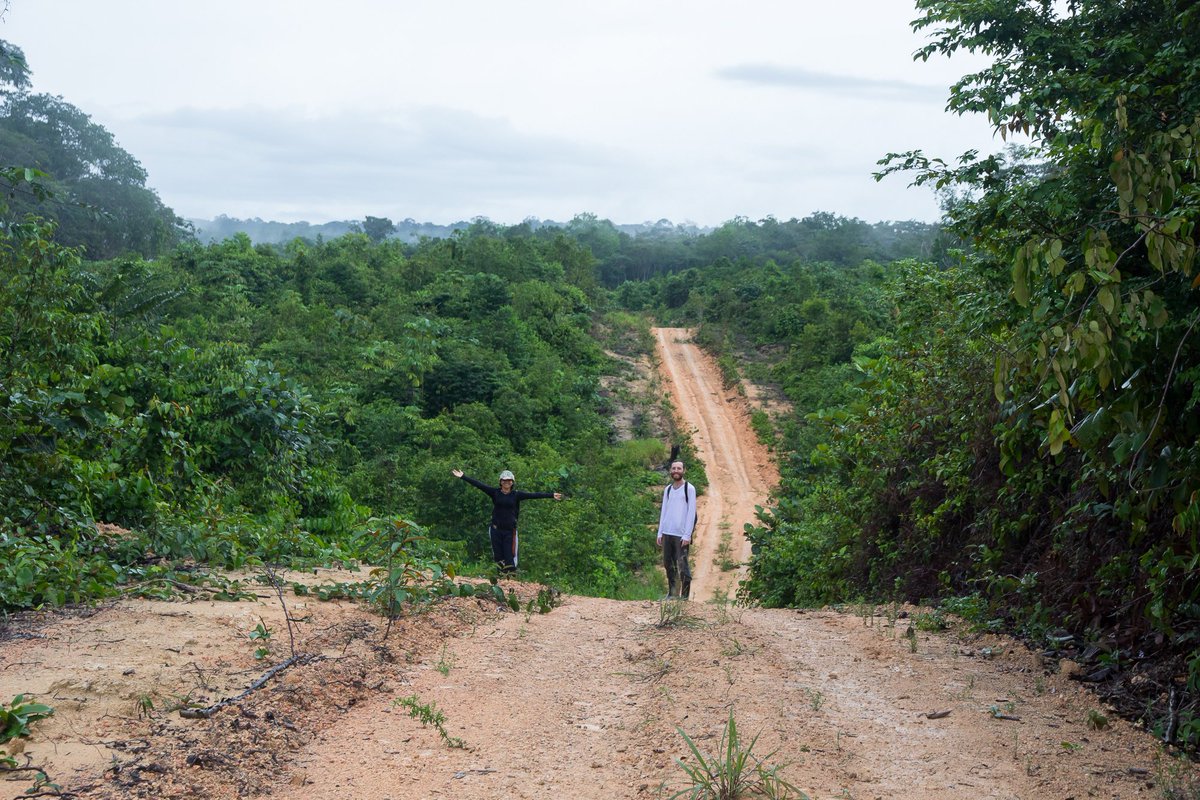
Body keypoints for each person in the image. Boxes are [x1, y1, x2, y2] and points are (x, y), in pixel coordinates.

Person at [451, 468, 562, 574]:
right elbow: (480, 485)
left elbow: (533, 495)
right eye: (504, 480)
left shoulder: (516, 495)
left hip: (509, 531)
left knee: (510, 556)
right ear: (501, 481)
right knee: (498, 556)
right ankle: (500, 580)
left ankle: (511, 581)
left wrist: (551, 495)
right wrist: (463, 476)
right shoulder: (495, 493)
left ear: (512, 482)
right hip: (495, 530)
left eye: (509, 480)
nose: (507, 482)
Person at [657, 460, 696, 599]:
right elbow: (664, 511)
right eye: (673, 468)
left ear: (683, 470)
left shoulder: (689, 489)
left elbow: (691, 513)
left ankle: (684, 597)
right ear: (670, 471)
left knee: (683, 566)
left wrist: (687, 535)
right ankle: (672, 594)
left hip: (681, 535)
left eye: (679, 468)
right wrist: (660, 532)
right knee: (668, 565)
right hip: (667, 532)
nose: (676, 471)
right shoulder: (668, 489)